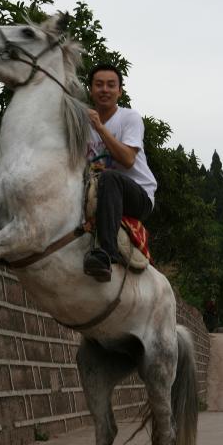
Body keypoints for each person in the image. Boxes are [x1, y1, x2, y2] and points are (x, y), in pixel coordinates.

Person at [83, 63, 157, 282]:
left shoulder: (129, 118)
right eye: (99, 85)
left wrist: (100, 128)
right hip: (98, 189)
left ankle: (106, 254)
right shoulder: (82, 125)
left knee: (110, 178)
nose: (104, 89)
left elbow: (127, 159)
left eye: (110, 85)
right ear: (91, 90)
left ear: (120, 91)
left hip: (138, 196)